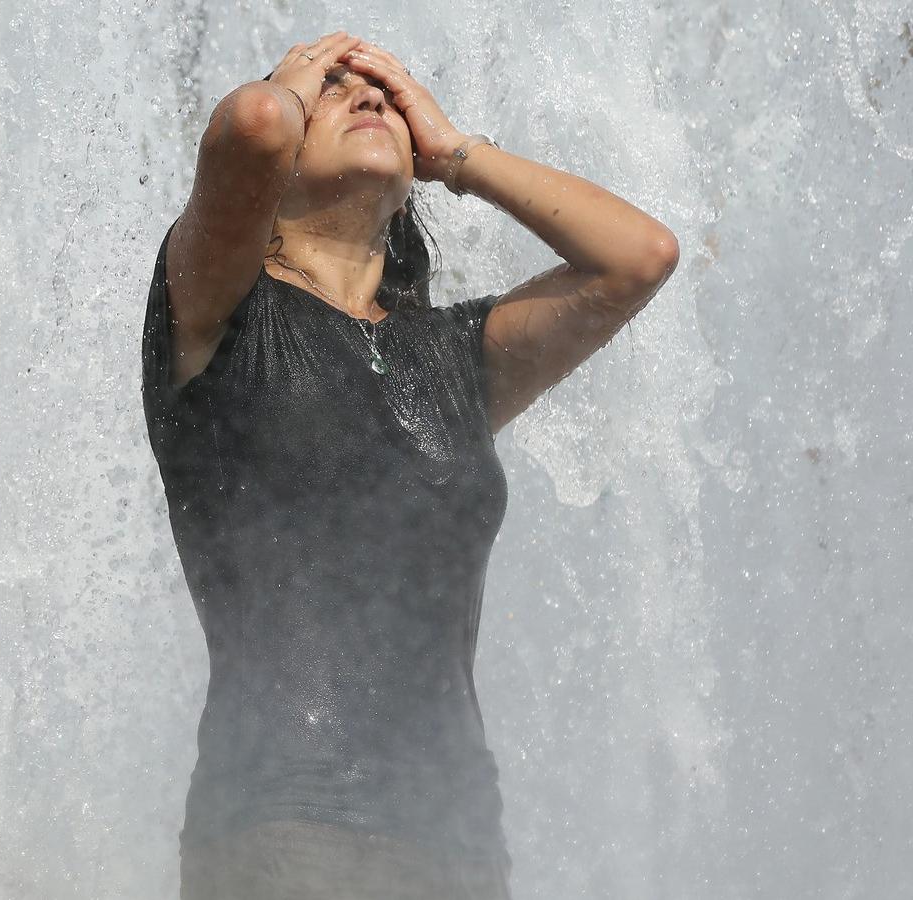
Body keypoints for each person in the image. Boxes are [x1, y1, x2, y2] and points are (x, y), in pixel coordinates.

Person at [140, 30, 679, 900]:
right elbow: (250, 122)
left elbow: (637, 256)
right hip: (283, 827)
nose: (372, 99)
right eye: (335, 93)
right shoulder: (215, 314)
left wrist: (458, 153)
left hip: (457, 841)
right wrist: (290, 84)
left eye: (386, 92)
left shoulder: (455, 359)